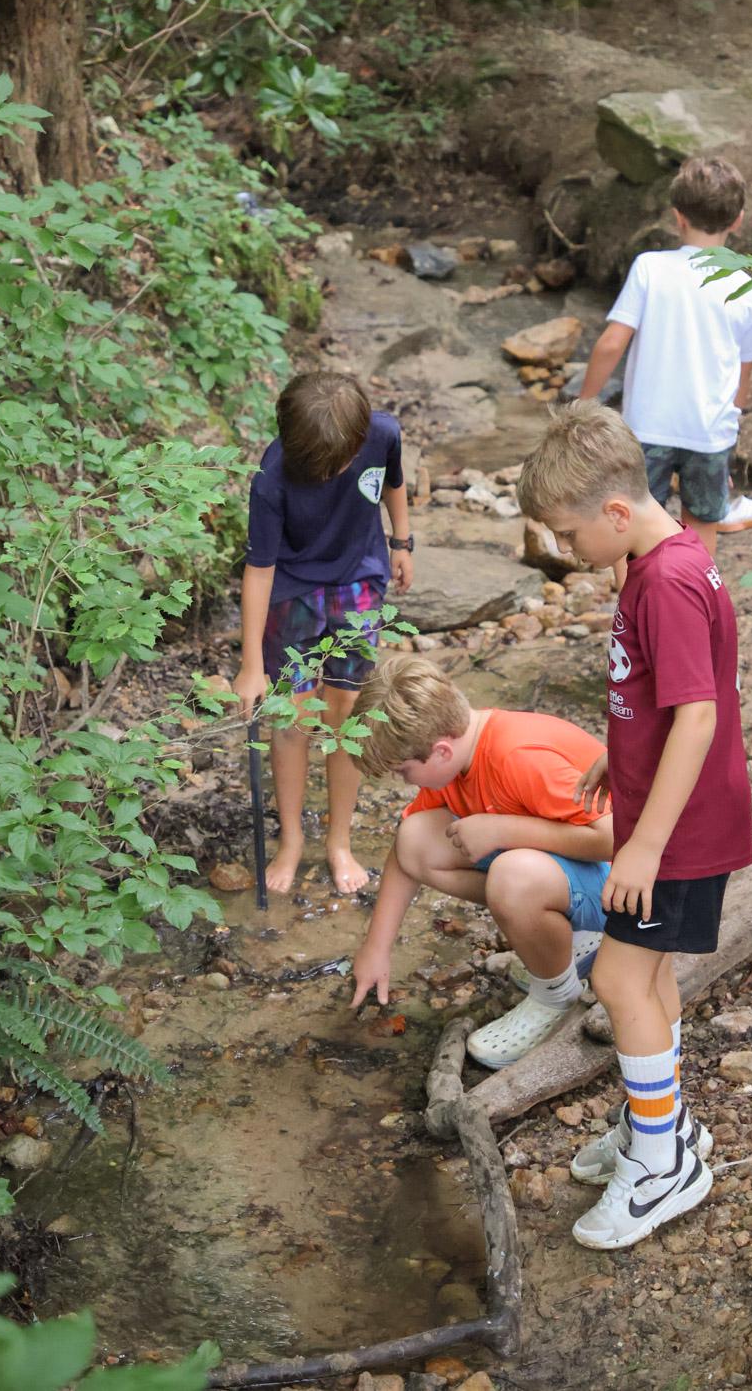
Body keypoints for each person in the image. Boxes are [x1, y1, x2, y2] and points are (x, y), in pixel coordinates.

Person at [516, 401, 752, 1250]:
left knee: (618, 981)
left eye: (570, 534)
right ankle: (663, 1126)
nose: (567, 550)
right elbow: (660, 698)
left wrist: (644, 845)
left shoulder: (667, 584)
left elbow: (698, 716)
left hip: (677, 832)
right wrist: (620, 759)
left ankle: (662, 1168)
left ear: (617, 512)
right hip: (669, 813)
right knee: (646, 980)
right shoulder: (660, 561)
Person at [348, 655, 611, 1068]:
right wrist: (376, 948)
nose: (404, 781)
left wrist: (502, 830)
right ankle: (564, 938)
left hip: (638, 887)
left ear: (440, 751)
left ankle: (555, 996)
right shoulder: (458, 757)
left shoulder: (517, 756)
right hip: (575, 869)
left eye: (404, 772)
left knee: (512, 878)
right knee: (415, 838)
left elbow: (616, 838)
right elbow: (406, 856)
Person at [233, 371, 414, 896]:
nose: (333, 473)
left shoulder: (382, 433)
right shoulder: (272, 478)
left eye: (341, 463)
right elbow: (259, 571)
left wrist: (402, 542)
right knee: (293, 714)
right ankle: (291, 838)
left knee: (347, 710)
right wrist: (251, 666)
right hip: (292, 590)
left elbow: (394, 483)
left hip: (359, 580)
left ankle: (339, 840)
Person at [577, 155, 752, 556]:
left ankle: (634, 597)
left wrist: (584, 403)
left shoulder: (650, 268)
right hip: (709, 432)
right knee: (701, 525)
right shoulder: (747, 288)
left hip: (647, 429)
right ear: (738, 221)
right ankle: (695, 594)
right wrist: (728, 440)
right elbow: (743, 377)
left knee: (633, 527)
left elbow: (612, 343)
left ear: (677, 217)